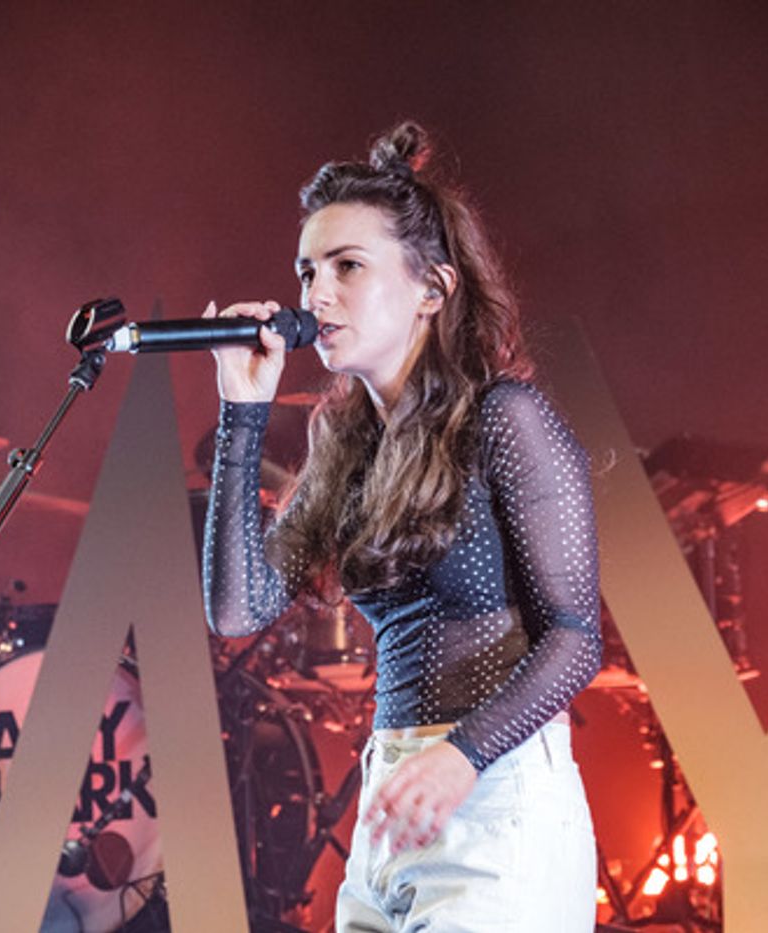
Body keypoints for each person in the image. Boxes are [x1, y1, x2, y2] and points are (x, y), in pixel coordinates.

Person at [200, 121, 601, 931]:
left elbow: (576, 637)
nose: (315, 296)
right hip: (396, 803)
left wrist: (462, 757)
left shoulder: (503, 418)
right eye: (308, 270)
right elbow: (237, 609)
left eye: (348, 267)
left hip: (496, 797)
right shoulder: (350, 451)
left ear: (433, 287)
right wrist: (242, 412)